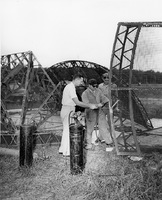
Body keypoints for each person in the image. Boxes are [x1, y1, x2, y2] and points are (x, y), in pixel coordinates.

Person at [59, 74, 97, 156]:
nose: (81, 83)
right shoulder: (71, 87)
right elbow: (77, 102)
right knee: (69, 130)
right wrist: (90, 105)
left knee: (67, 129)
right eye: (81, 81)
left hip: (68, 109)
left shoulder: (70, 86)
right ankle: (67, 151)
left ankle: (63, 149)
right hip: (68, 109)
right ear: (77, 79)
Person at [81, 79, 113, 150]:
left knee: (104, 126)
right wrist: (97, 105)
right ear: (89, 85)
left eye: (96, 86)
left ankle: (109, 142)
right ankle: (88, 144)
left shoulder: (98, 90)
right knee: (89, 129)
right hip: (90, 112)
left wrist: (105, 102)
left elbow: (104, 98)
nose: (95, 87)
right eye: (93, 86)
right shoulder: (85, 93)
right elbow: (86, 104)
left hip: (99, 111)